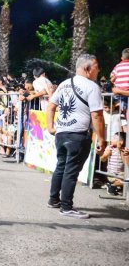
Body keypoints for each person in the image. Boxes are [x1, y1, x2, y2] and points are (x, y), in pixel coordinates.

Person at [46, 54, 106, 219]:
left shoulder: (64, 84)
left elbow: (51, 106)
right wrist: (102, 139)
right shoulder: (92, 87)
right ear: (88, 69)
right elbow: (97, 116)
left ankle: (53, 200)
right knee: (71, 171)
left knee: (61, 166)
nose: (99, 70)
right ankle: (66, 207)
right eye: (97, 67)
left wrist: (51, 127)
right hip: (78, 135)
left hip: (61, 133)